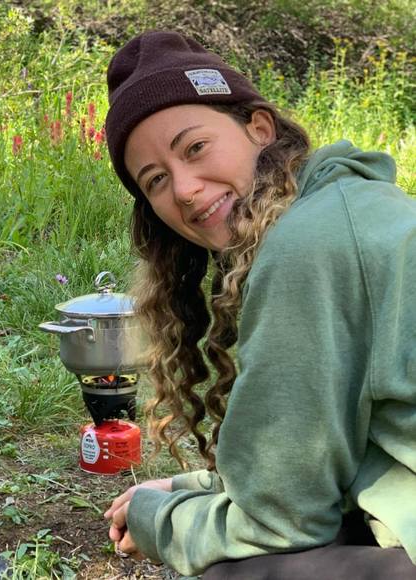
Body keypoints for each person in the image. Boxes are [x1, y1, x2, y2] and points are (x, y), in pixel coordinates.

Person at [101, 30, 416, 578]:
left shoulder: (308, 247)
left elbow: (280, 522)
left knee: (239, 572)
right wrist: (191, 486)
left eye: (195, 148)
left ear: (259, 128)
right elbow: (326, 444)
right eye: (156, 180)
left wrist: (158, 519)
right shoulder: (353, 202)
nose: (184, 189)